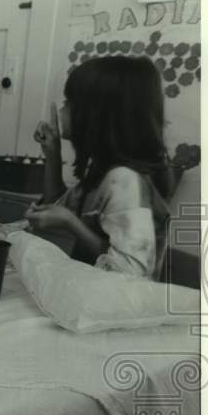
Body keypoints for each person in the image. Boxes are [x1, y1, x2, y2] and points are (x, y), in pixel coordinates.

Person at [27, 55, 172, 279]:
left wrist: (70, 223)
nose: (62, 110)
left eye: (69, 102)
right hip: (93, 294)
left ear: (95, 114)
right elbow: (57, 204)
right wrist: (53, 153)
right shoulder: (103, 173)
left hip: (121, 307)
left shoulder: (125, 180)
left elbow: (130, 275)